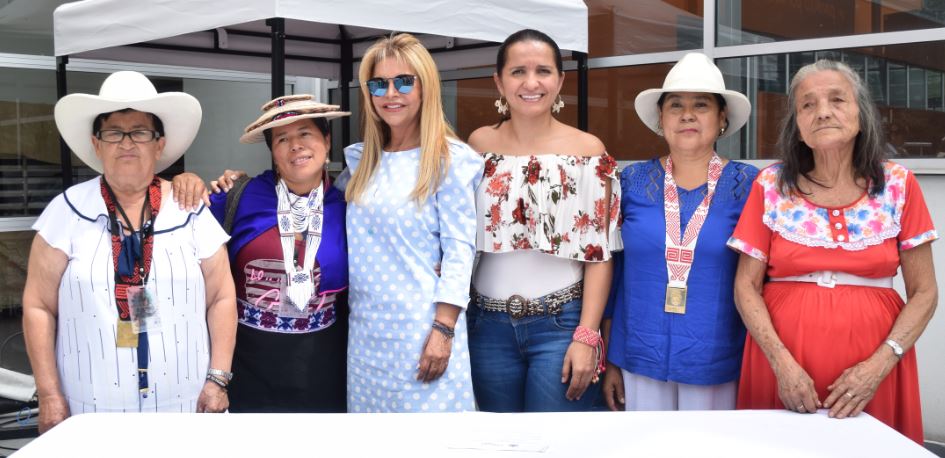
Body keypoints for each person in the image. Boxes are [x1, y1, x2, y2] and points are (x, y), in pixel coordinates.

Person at [728, 60, 937, 444]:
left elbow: (925, 292)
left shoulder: (897, 185)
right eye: (807, 104)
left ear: (861, 113)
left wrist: (879, 365)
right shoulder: (771, 184)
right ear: (797, 125)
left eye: (837, 99)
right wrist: (782, 363)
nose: (822, 111)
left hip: (876, 365)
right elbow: (745, 286)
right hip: (782, 364)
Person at [22, 71, 236, 433]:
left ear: (159, 144)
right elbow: (38, 307)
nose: (126, 143)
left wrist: (218, 380)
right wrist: (49, 394)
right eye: (113, 132)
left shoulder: (190, 209)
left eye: (139, 132)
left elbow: (222, 298)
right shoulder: (67, 211)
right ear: (96, 143)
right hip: (89, 406)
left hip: (185, 403)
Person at [465, 29, 620, 412]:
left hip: (561, 325)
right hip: (487, 326)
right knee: (496, 443)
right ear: (498, 81)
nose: (531, 83)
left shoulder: (588, 150)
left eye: (543, 71)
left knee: (557, 444)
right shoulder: (477, 146)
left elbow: (599, 254)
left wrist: (587, 335)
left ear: (561, 81)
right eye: (518, 71)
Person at [602, 53, 758, 412]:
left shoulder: (750, 186)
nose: (687, 114)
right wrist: (611, 358)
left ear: (722, 118)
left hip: (717, 359)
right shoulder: (631, 183)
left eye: (701, 105)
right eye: (675, 106)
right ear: (661, 119)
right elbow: (613, 272)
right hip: (640, 355)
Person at [341, 33, 483, 412]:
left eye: (404, 81)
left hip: (424, 332)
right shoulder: (362, 161)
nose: (392, 93)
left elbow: (459, 251)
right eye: (379, 84)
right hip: (367, 336)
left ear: (426, 87)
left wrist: (443, 330)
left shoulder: (448, 160)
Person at [197, 95, 350, 412]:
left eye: (305, 133)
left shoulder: (350, 204)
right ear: (273, 152)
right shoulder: (239, 195)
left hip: (323, 364)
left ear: (327, 140)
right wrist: (185, 184)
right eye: (282, 139)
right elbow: (186, 239)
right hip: (249, 361)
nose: (295, 145)